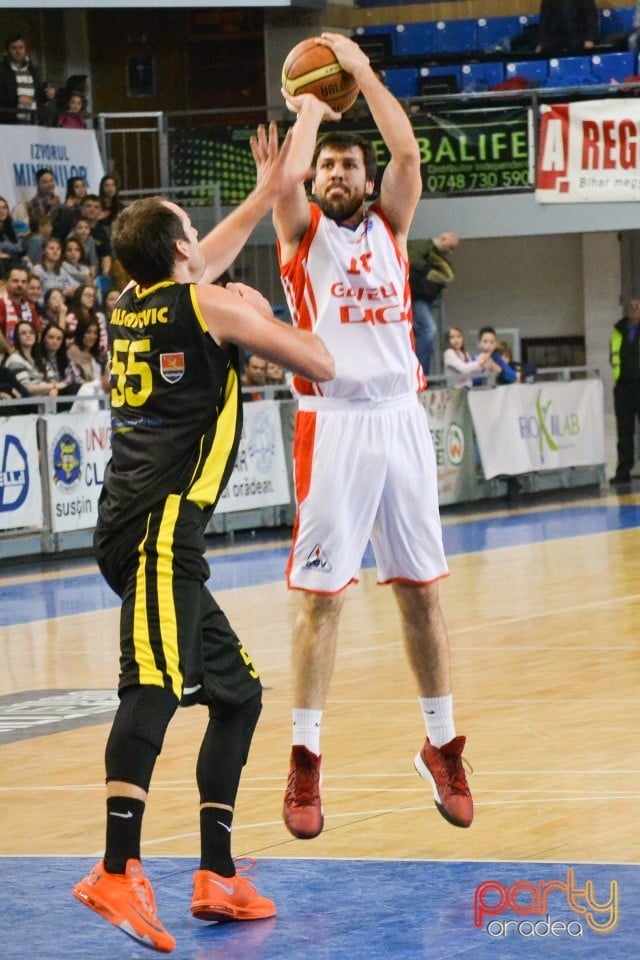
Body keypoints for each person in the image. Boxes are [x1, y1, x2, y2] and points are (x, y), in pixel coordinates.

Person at [71, 121, 334, 954]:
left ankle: (216, 874)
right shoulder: (215, 304)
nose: (203, 243)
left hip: (150, 531)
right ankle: (116, 869)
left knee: (238, 693)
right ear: (183, 253)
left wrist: (263, 195)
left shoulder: (131, 302)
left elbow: (203, 267)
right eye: (194, 231)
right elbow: (319, 361)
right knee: (150, 686)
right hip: (154, 529)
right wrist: (271, 305)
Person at [257, 32, 473, 843]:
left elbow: (409, 150)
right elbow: (283, 180)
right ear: (315, 180)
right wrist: (311, 105)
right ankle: (305, 761)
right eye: (329, 167)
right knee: (322, 604)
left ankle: (442, 744)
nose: (339, 174)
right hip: (335, 426)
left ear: (366, 177)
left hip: (401, 421)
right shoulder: (300, 237)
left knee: (422, 591)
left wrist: (365, 73)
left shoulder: (390, 224)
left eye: (351, 165)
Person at [408, 231, 460, 376]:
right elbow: (413, 263)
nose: (450, 252)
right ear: (444, 238)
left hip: (422, 298)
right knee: (429, 330)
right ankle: (420, 374)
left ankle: (420, 373)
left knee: (425, 333)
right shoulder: (421, 246)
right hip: (414, 296)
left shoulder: (439, 259)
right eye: (450, 247)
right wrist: (432, 274)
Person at [609, 296, 640, 485]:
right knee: (624, 432)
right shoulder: (617, 332)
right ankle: (623, 471)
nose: (635, 309)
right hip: (623, 388)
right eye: (632, 306)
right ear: (627, 309)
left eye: (639, 306)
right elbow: (612, 358)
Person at [4, 319, 63, 396]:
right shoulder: (15, 358)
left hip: (47, 399)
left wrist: (54, 389)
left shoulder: (39, 358)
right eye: (23, 333)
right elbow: (26, 388)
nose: (28, 335)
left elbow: (53, 379)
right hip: (30, 402)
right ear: (17, 337)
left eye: (31, 332)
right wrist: (53, 386)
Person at [0, 34, 43, 124]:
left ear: (25, 49)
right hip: (8, 121)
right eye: (14, 48)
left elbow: (39, 94)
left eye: (21, 47)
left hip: (31, 120)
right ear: (7, 50)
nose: (18, 51)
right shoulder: (2, 70)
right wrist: (17, 99)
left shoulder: (32, 70)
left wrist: (47, 94)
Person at [535, 0, 599, 56]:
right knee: (545, 49)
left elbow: (591, 17)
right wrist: (541, 43)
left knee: (577, 45)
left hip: (579, 34)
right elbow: (544, 21)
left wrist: (590, 39)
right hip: (557, 35)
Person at [0, 264, 41, 343]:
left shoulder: (29, 307)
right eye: (15, 281)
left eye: (23, 282)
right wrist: (10, 351)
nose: (20, 284)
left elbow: (38, 332)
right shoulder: (1, 304)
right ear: (6, 283)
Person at [0, 196, 28, 273]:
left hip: (17, 261)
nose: (2, 211)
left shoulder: (14, 228)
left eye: (4, 207)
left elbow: (20, 250)